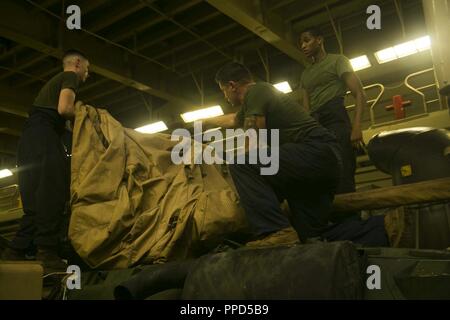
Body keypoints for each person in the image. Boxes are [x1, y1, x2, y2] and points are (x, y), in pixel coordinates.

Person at [204, 62, 342, 245]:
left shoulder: (256, 91)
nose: (225, 96)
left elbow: (254, 136)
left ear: (232, 85)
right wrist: (206, 121)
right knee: (310, 237)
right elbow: (233, 120)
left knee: (242, 163)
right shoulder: (257, 99)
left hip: (315, 151)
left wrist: (244, 170)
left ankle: (275, 231)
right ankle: (386, 227)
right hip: (320, 165)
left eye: (223, 90)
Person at [1, 49, 89, 272]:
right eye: (87, 70)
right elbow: (65, 108)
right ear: (77, 64)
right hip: (44, 137)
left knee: (33, 202)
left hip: (29, 140)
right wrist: (87, 117)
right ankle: (46, 252)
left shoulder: (49, 87)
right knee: (52, 191)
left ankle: (15, 251)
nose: (87, 75)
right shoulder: (70, 77)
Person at [299, 27, 367, 203]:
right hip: (315, 123)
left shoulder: (338, 61)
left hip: (335, 117)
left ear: (319, 40)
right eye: (301, 43)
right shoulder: (305, 74)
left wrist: (357, 127)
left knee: (343, 172)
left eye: (307, 40)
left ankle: (352, 224)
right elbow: (306, 109)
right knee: (321, 175)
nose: (303, 45)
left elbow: (359, 93)